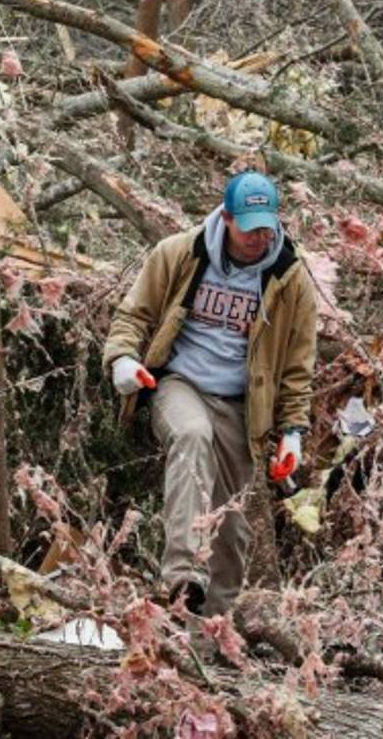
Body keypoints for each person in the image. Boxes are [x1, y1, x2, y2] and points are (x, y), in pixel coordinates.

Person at [103, 171, 318, 616]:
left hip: (243, 407)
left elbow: (298, 366)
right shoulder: (180, 253)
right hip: (181, 383)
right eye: (249, 225)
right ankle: (183, 576)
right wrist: (122, 359)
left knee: (232, 528)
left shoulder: (289, 278)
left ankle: (211, 638)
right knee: (192, 435)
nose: (259, 236)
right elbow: (132, 317)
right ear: (226, 217)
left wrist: (292, 431)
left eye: (267, 225)